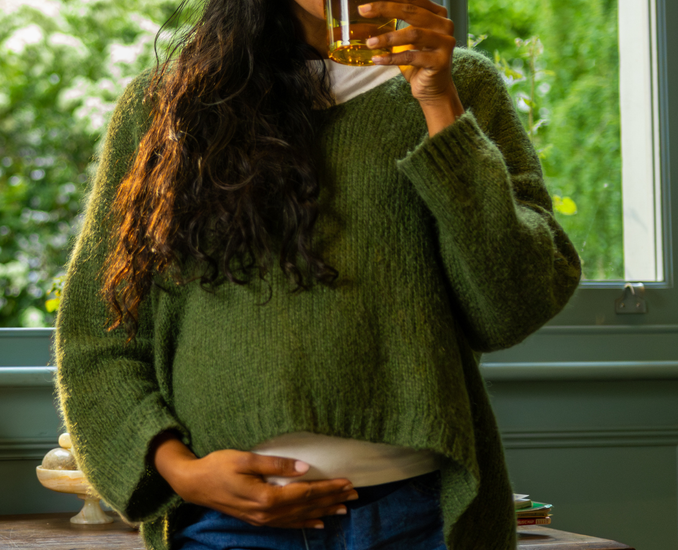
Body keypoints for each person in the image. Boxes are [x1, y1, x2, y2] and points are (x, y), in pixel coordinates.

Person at [53, 0, 581, 547]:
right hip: (225, 525)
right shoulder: (168, 103)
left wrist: (439, 102)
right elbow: (98, 336)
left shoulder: (460, 84)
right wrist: (181, 472)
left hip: (420, 517)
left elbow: (511, 305)